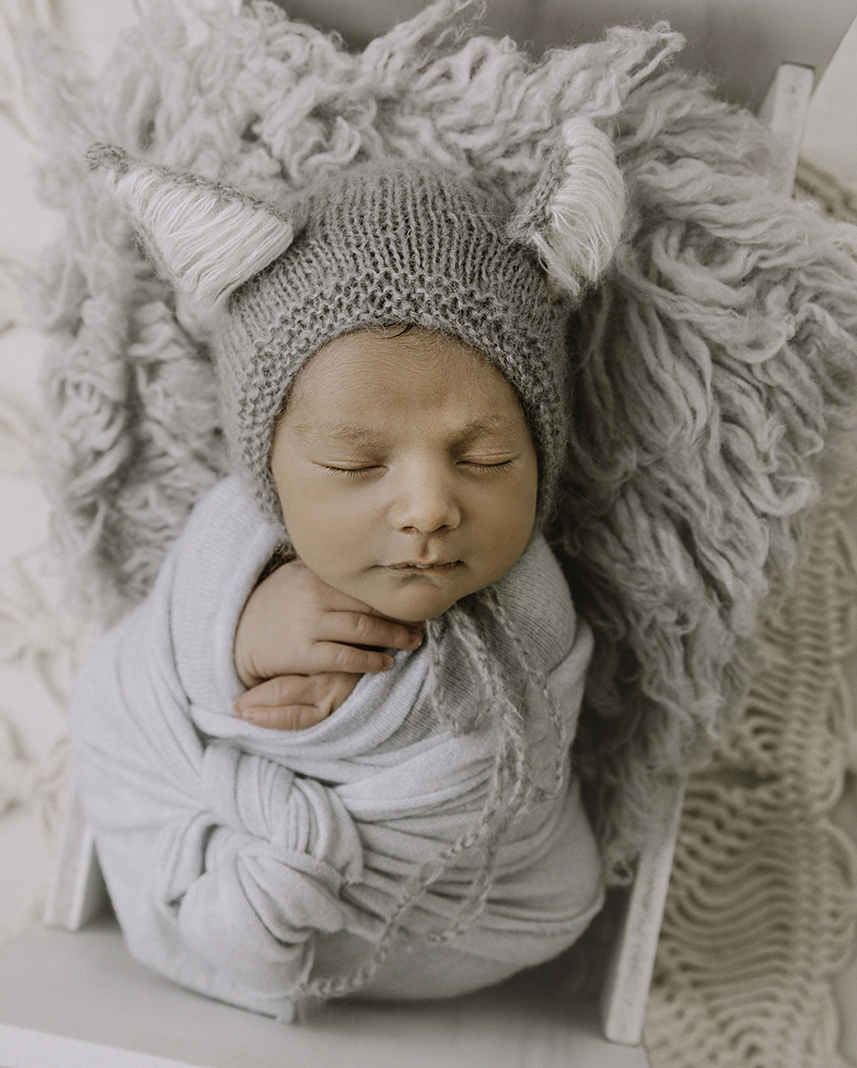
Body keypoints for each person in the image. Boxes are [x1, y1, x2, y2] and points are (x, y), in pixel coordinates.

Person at [69, 135, 621, 1020]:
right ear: (269, 476)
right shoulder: (230, 539)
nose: (429, 507)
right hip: (222, 840)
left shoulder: (529, 608)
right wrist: (233, 641)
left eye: (484, 457)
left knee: (565, 897)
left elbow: (514, 780)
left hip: (460, 913)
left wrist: (389, 723)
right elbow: (135, 684)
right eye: (355, 463)